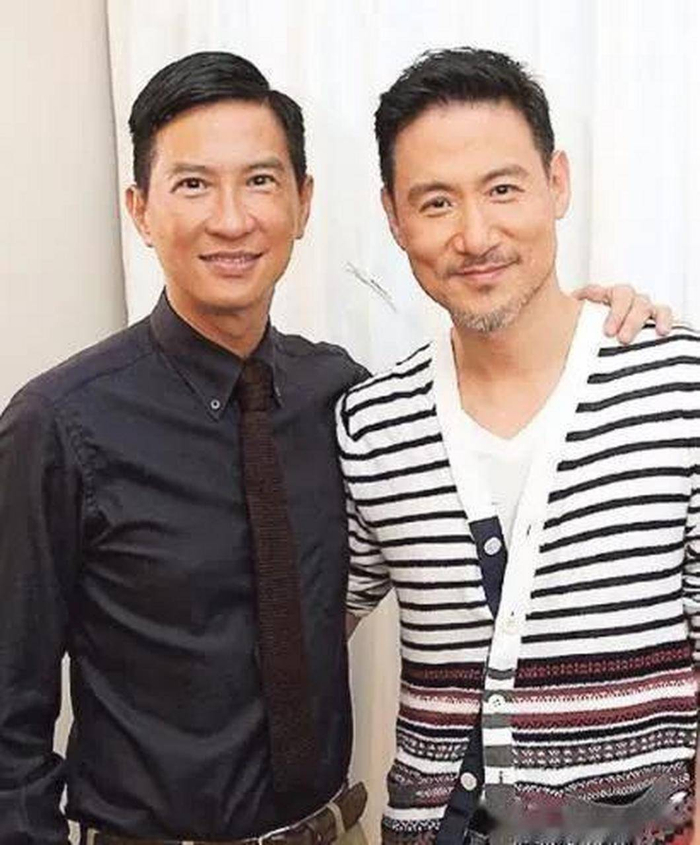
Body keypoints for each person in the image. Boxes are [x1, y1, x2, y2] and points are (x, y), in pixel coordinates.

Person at [0, 50, 668, 845]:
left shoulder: (344, 402)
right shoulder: (59, 424)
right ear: (140, 210)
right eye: (193, 184)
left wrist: (598, 333)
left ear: (303, 202)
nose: (231, 219)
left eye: (260, 180)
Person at [339, 48, 699, 845]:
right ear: (394, 217)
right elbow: (306, 626)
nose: (476, 235)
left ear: (556, 182)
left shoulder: (679, 387)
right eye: (436, 202)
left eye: (503, 189)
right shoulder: (371, 423)